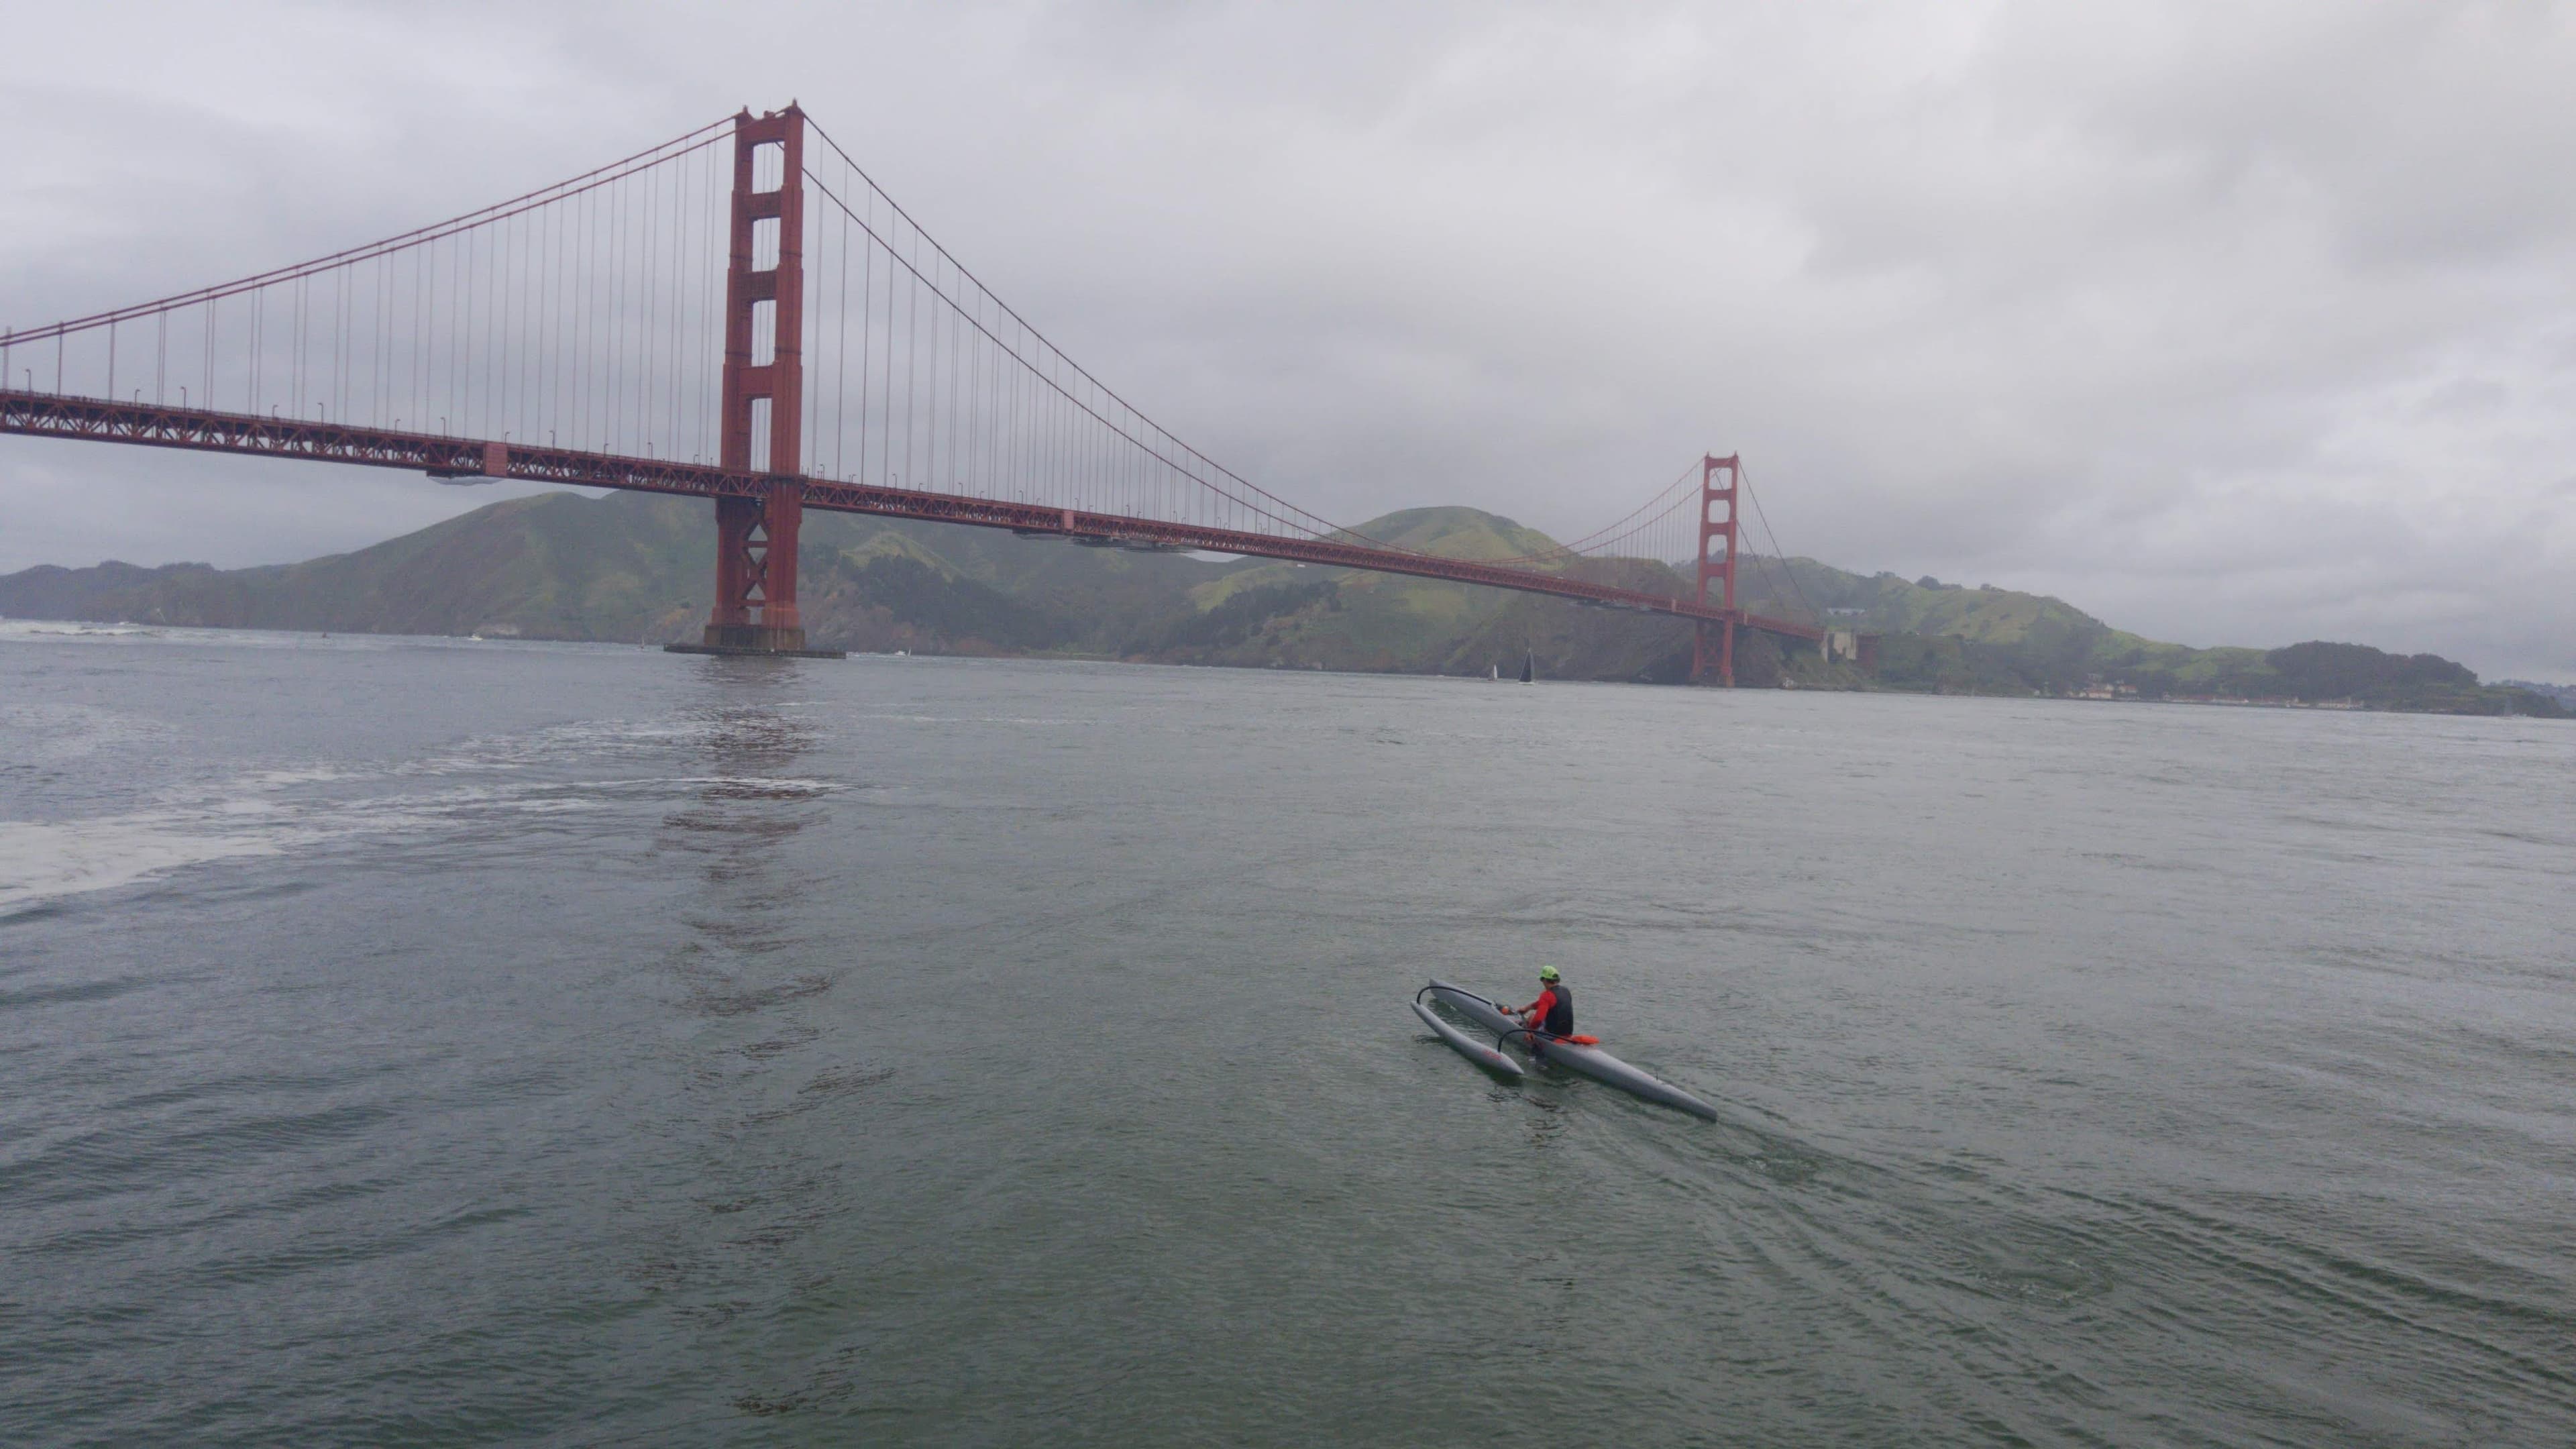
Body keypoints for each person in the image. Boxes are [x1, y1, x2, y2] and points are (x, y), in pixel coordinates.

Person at [1504, 966, 1573, 1040]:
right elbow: (1545, 1003)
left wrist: (1530, 1030)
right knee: (1535, 1018)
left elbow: (1538, 1020)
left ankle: (1522, 1026)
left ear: (1545, 980)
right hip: (1567, 1034)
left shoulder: (1546, 995)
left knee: (1532, 1018)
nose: (1542, 982)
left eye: (1541, 979)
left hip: (1552, 1035)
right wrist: (1527, 1008)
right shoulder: (1566, 991)